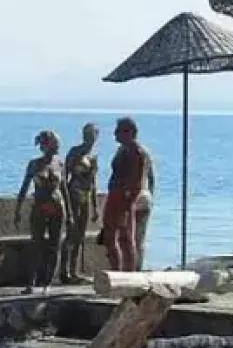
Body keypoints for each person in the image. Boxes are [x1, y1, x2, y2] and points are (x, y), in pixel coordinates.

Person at [15, 131, 67, 293]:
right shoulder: (34, 164)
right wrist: (17, 210)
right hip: (40, 207)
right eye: (54, 143)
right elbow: (24, 187)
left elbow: (64, 188)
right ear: (45, 146)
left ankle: (47, 283)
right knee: (36, 245)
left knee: (54, 245)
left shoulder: (60, 163)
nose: (58, 146)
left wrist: (70, 213)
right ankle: (31, 282)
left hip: (58, 207)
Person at [103, 117, 148, 272]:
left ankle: (130, 274)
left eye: (119, 130)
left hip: (125, 199)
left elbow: (138, 182)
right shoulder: (122, 150)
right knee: (110, 237)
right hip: (114, 195)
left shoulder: (137, 152)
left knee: (126, 238)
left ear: (129, 132)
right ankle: (116, 271)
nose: (115, 133)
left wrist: (129, 204)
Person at [61, 124, 99, 284]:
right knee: (71, 234)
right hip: (74, 195)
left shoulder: (93, 156)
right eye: (86, 134)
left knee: (80, 236)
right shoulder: (74, 152)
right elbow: (64, 178)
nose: (89, 138)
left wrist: (95, 205)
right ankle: (64, 271)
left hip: (86, 196)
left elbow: (93, 182)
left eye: (92, 135)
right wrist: (67, 202)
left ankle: (74, 270)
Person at [134, 147, 156, 271]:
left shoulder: (126, 153)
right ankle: (138, 267)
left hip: (133, 198)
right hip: (145, 196)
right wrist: (151, 195)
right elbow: (152, 178)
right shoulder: (146, 154)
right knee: (140, 237)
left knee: (131, 236)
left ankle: (132, 267)